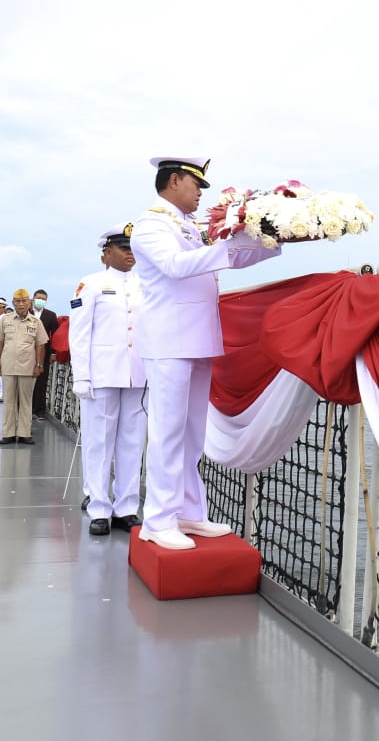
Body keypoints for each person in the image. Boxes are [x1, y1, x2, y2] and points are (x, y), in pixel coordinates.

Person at [131, 156, 282, 550]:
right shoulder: (151, 224)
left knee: (192, 431)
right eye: (196, 185)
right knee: (167, 431)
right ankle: (158, 520)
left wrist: (273, 235)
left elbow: (228, 257)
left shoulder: (187, 227)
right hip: (168, 341)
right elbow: (175, 266)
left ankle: (189, 512)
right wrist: (229, 247)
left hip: (196, 338)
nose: (200, 193)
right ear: (174, 180)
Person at [70, 223, 149, 536]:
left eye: (133, 249)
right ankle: (100, 508)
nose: (130, 254)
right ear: (107, 252)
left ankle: (127, 507)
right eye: (124, 248)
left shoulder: (146, 285)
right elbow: (80, 334)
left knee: (132, 442)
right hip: (101, 374)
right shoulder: (90, 284)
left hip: (137, 374)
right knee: (99, 442)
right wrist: (81, 377)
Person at [0, 288, 47, 446]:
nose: (21, 304)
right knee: (9, 400)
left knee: (26, 401)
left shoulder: (36, 322)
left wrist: (39, 365)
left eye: (24, 301)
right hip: (8, 365)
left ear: (29, 303)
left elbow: (40, 345)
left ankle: (24, 433)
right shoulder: (5, 320)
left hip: (28, 367)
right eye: (18, 301)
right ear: (13, 303)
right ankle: (8, 433)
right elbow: (0, 343)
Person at [30, 288, 60, 419]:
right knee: (26, 381)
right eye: (38, 298)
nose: (40, 301)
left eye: (43, 299)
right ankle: (27, 408)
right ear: (33, 298)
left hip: (44, 352)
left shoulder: (50, 315)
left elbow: (56, 335)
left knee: (41, 382)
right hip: (27, 352)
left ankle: (39, 410)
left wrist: (53, 352)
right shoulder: (26, 312)